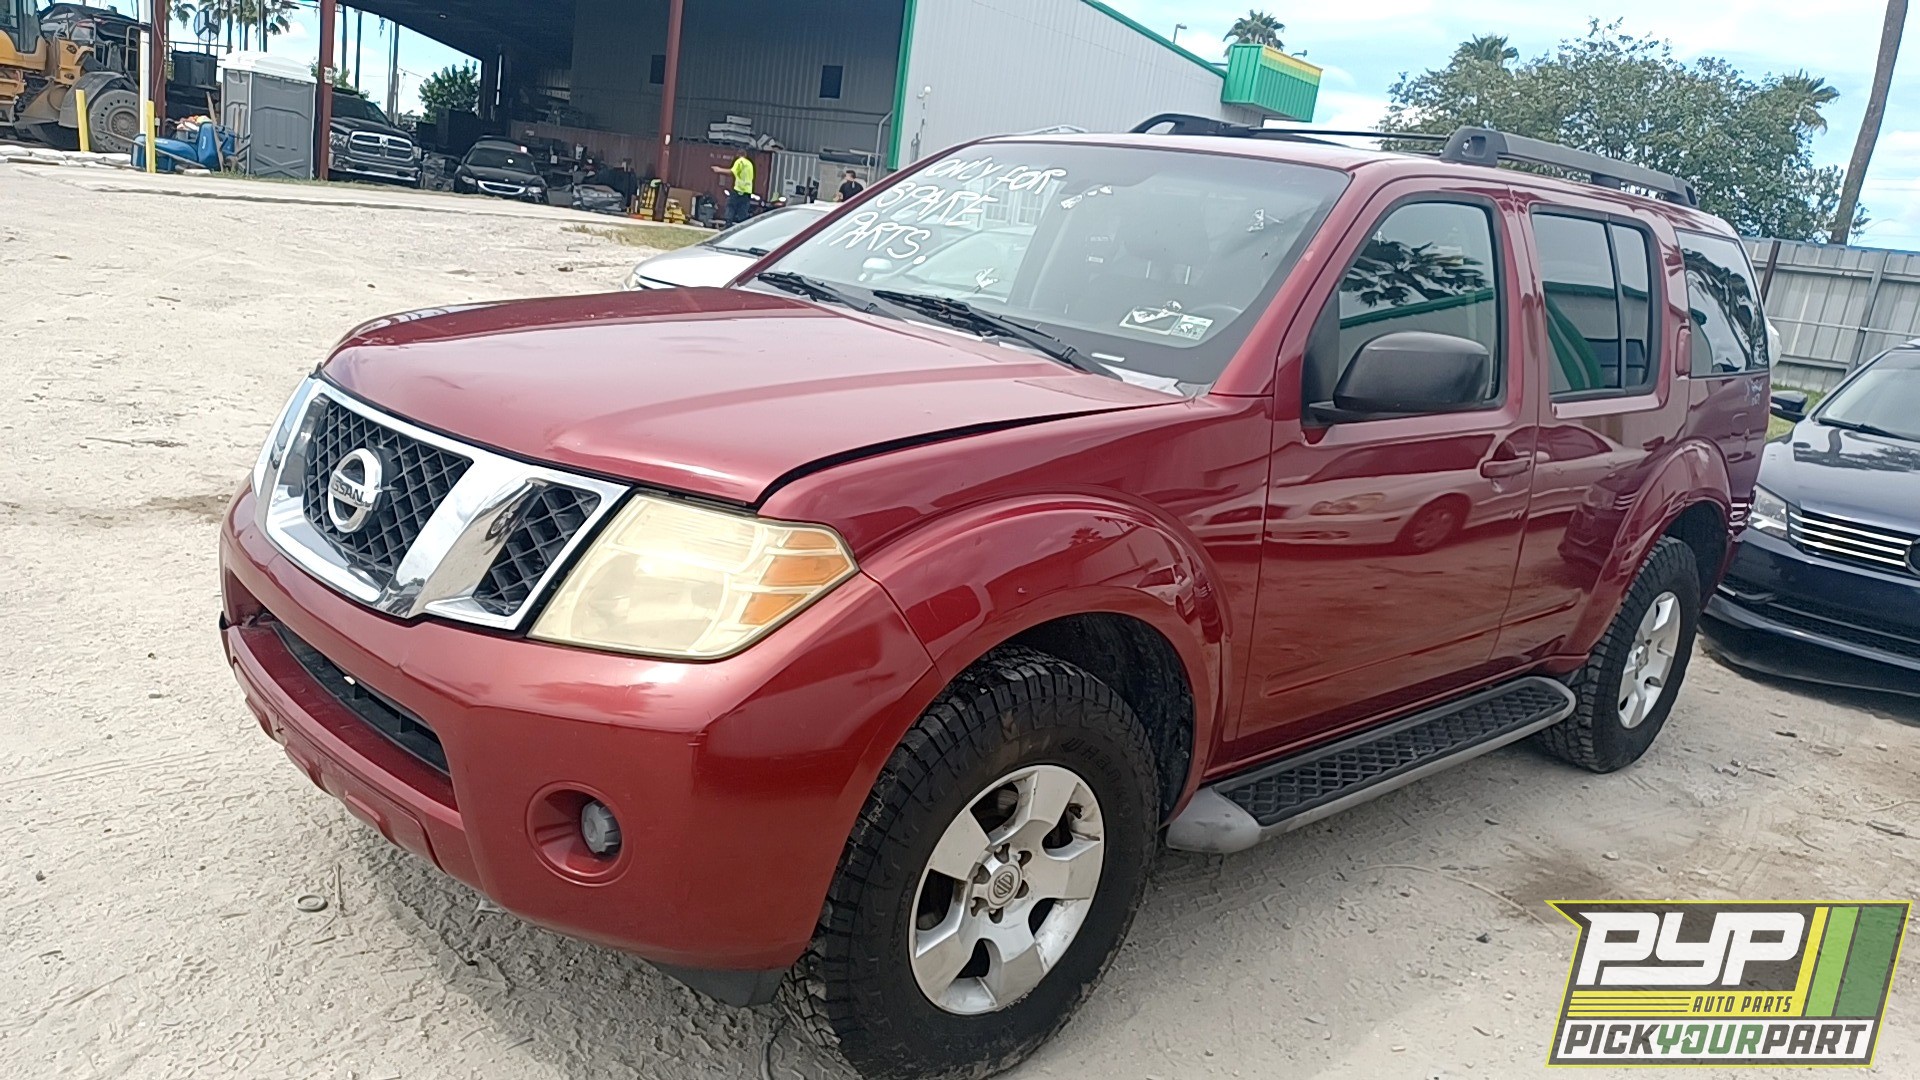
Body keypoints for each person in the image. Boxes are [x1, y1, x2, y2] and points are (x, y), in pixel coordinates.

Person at [711, 152, 755, 225]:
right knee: (743, 211)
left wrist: (719, 170)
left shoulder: (739, 161)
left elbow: (732, 171)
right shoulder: (750, 164)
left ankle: (728, 225)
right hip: (747, 191)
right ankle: (743, 226)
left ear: (738, 155)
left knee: (730, 206)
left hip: (738, 189)